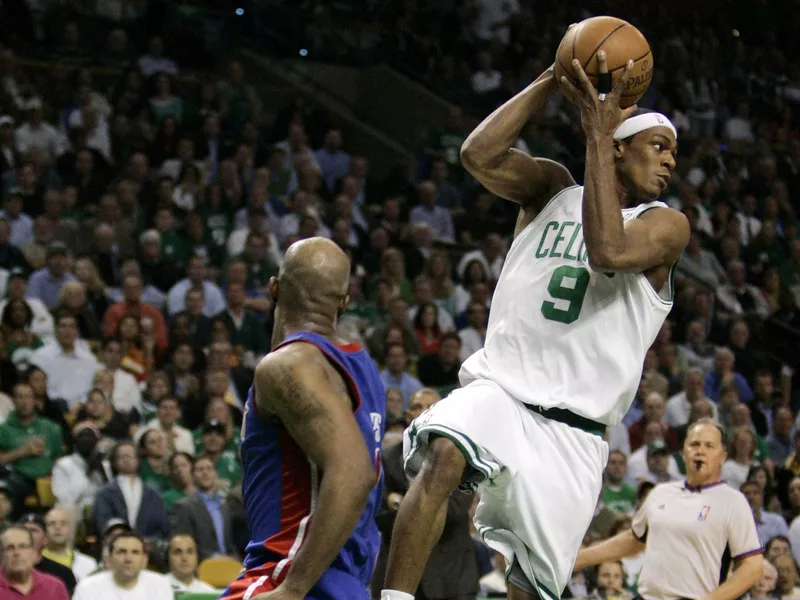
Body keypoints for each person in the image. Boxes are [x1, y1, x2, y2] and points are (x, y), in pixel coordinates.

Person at [381, 42, 689, 600]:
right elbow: (477, 155)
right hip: (505, 390)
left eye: (674, 152)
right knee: (447, 449)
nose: (670, 161)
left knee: (529, 587)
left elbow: (608, 252)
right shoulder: (550, 187)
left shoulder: (665, 225)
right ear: (621, 150)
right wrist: (554, 74)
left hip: (575, 431)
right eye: (658, 146)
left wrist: (596, 134)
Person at [220, 237, 385, 600]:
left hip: (291, 574)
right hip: (348, 582)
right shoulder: (364, 370)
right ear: (343, 303)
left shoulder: (287, 366)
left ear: (273, 288)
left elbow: (355, 474)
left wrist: (293, 588)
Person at [575, 419, 763, 600]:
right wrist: (577, 559)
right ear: (683, 453)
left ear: (722, 457)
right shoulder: (660, 492)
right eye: (694, 444)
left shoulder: (733, 502)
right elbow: (634, 540)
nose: (700, 451)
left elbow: (753, 567)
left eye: (709, 446)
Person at [72, 532, 173, 600]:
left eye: (135, 552)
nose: (128, 559)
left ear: (144, 560)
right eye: (121, 552)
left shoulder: (161, 585)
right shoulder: (88, 587)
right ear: (109, 559)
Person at [0, 526, 69, 600]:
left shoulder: (55, 588)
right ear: (1, 554)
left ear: (33, 552)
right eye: (10, 548)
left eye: (23, 547)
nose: (17, 553)